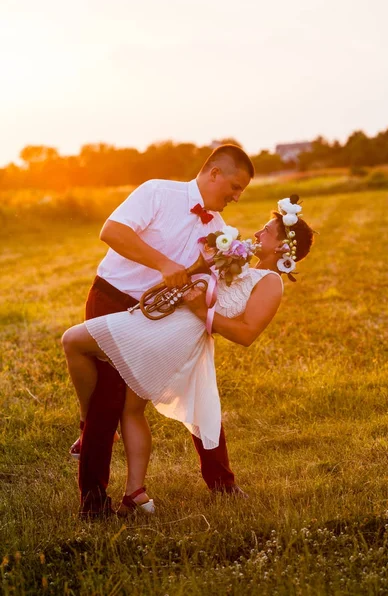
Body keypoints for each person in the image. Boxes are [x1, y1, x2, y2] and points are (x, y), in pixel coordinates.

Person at [62, 197, 315, 517]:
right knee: (130, 408)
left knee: (73, 340)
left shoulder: (270, 283)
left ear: (280, 247)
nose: (257, 233)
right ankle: (135, 493)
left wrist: (202, 312)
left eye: (267, 231)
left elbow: (246, 334)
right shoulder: (243, 266)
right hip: (172, 323)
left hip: (177, 333)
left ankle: (89, 431)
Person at [67, 145, 255, 518]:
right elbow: (111, 231)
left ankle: (222, 483)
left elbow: (215, 280)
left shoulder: (219, 230)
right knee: (108, 399)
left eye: (241, 192)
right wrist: (164, 264)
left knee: (200, 386)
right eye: (234, 187)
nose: (236, 196)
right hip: (112, 298)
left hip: (159, 315)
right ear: (213, 173)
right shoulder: (157, 192)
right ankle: (93, 501)